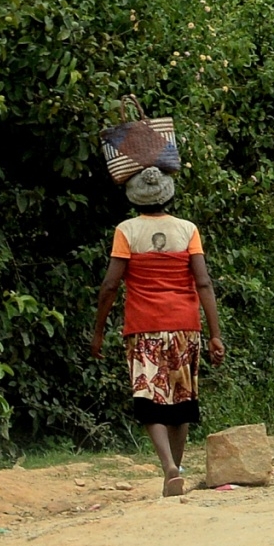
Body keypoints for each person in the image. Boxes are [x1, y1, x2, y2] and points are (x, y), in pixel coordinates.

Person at [91, 166, 226, 497]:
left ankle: (167, 466)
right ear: (168, 194)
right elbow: (203, 282)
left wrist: (98, 331)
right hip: (185, 327)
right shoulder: (188, 230)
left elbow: (110, 285)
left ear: (134, 197)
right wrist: (215, 334)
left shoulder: (126, 231)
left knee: (149, 397)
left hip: (144, 329)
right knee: (181, 399)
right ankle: (176, 470)